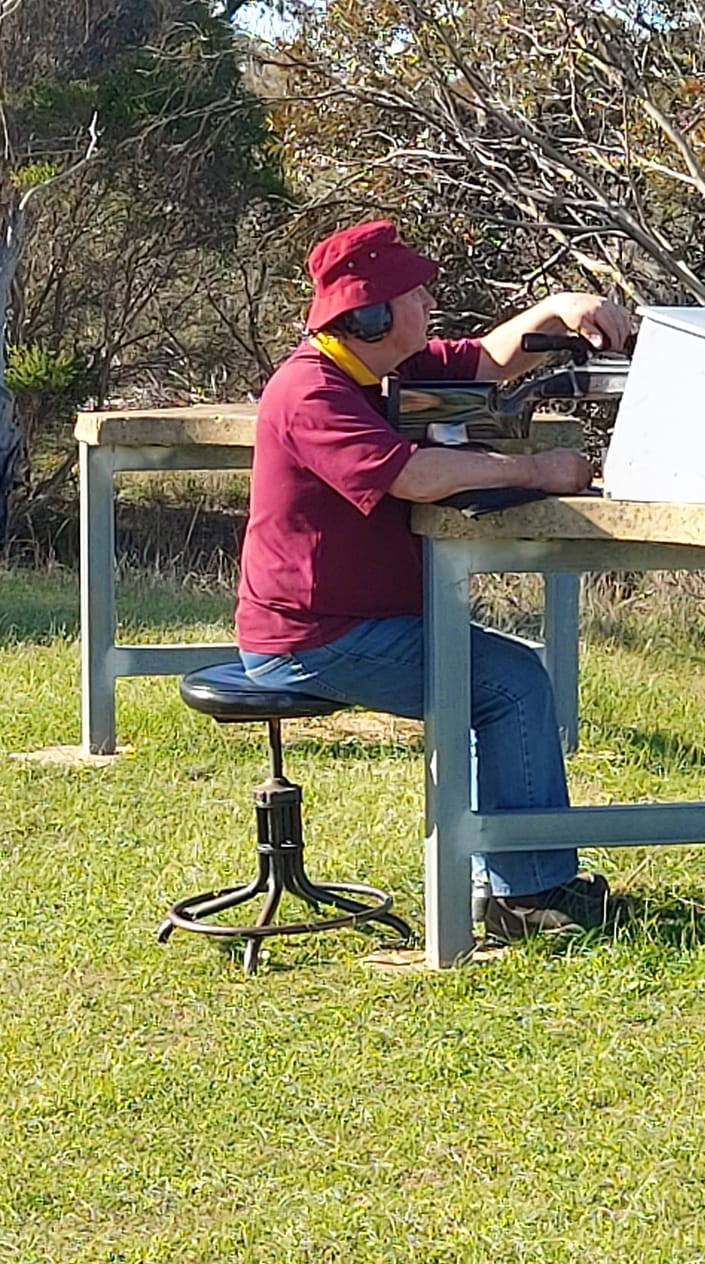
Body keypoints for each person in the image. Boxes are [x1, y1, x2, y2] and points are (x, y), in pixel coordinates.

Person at [236, 218, 633, 940]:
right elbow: (413, 474)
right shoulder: (311, 392)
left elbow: (487, 361)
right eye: (413, 295)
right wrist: (541, 471)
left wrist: (561, 307)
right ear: (370, 315)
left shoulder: (381, 372)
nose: (428, 304)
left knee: (501, 676)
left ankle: (515, 884)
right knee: (508, 682)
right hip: (311, 637)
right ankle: (528, 894)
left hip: (353, 623)